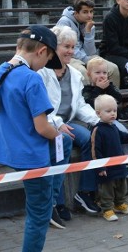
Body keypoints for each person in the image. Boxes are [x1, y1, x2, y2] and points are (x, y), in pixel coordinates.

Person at [0, 25, 68, 252]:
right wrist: (57, 133)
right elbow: (43, 127)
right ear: (42, 51)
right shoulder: (31, 79)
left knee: (38, 209)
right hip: (33, 157)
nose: (45, 65)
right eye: (47, 60)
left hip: (11, 151)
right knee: (38, 217)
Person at [39, 25, 101, 223]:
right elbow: (42, 106)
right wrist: (57, 123)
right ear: (53, 47)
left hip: (70, 121)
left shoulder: (74, 73)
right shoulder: (41, 73)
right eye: (66, 46)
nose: (71, 51)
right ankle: (57, 202)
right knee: (62, 142)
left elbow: (80, 104)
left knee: (94, 136)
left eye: (73, 47)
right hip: (49, 123)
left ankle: (85, 192)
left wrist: (97, 120)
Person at [90, 94, 128, 221]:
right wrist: (100, 167)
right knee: (107, 190)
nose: (113, 114)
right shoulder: (98, 130)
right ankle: (107, 209)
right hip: (106, 168)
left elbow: (124, 137)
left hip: (119, 165)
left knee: (121, 186)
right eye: (108, 111)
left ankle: (120, 203)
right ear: (98, 113)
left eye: (114, 110)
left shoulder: (113, 127)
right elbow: (95, 151)